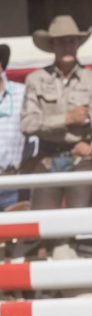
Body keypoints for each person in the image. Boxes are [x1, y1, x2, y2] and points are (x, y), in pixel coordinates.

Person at [20, 16, 92, 211]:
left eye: (71, 41)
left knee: (82, 221)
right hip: (46, 157)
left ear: (78, 43)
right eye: (61, 42)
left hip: (80, 159)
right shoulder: (36, 80)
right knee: (43, 222)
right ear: (52, 45)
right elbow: (27, 124)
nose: (67, 46)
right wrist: (66, 119)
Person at [0, 45, 30, 211]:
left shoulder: (24, 93)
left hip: (14, 181)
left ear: (1, 65)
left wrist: (29, 162)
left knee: (18, 234)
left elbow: (37, 134)